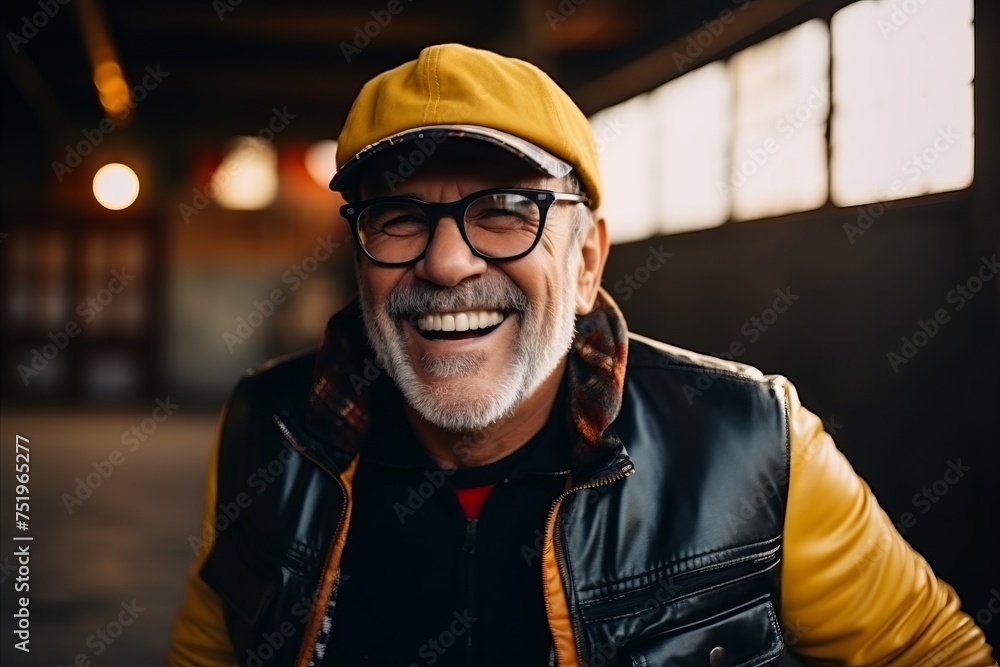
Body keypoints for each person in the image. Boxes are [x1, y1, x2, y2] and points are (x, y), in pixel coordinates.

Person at [168, 43, 995, 667]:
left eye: (504, 210)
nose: (447, 264)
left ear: (588, 258)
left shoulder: (755, 445)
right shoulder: (267, 432)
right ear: (360, 254)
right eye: (398, 216)